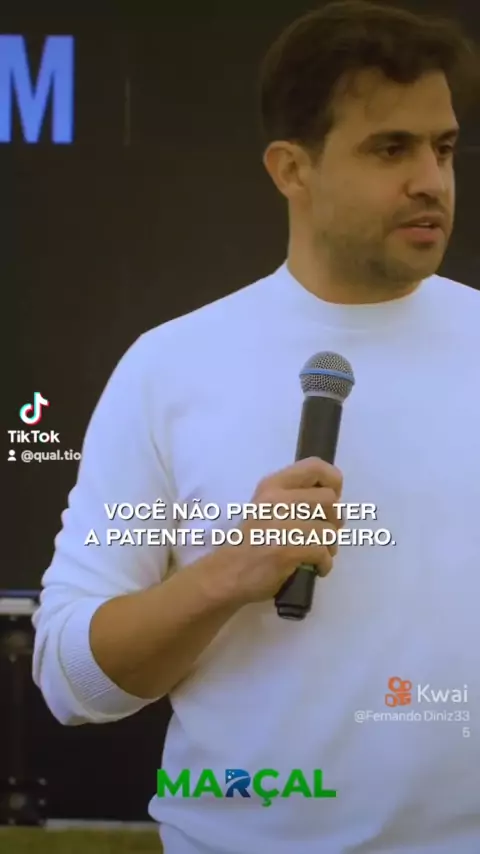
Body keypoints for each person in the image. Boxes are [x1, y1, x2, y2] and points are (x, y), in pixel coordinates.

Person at [32, 1, 480, 852]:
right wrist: (226, 575)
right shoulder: (171, 368)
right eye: (391, 149)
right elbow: (70, 680)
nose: (432, 179)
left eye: (445, 147)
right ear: (290, 169)